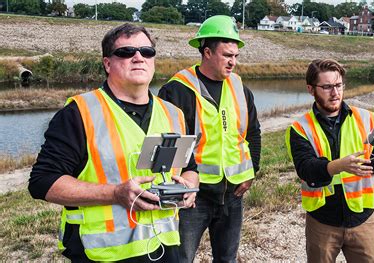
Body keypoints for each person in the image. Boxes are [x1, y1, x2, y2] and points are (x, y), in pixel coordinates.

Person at [28, 23, 199, 262]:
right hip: (102, 253)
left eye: (147, 52)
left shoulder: (173, 114)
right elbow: (42, 182)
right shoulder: (81, 112)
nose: (139, 57)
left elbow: (190, 168)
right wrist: (116, 193)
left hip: (165, 247)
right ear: (107, 64)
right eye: (126, 52)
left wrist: (190, 188)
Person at [158, 15, 261, 262]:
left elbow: (253, 132)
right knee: (181, 258)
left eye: (236, 56)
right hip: (193, 197)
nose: (233, 62)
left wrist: (251, 171)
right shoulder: (177, 89)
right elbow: (167, 144)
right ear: (206, 52)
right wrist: (178, 187)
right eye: (227, 55)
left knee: (227, 259)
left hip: (232, 194)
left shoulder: (238, 87)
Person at [285, 59, 374, 262]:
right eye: (327, 87)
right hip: (322, 221)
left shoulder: (367, 118)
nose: (335, 93)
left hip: (363, 218)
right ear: (311, 89)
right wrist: (339, 166)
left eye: (338, 85)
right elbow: (306, 169)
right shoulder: (300, 128)